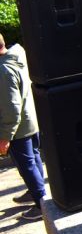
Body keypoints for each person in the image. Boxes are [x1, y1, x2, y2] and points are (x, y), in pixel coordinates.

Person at [0, 35, 46, 221]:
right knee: (33, 158)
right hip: (30, 119)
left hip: (18, 129)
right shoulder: (17, 53)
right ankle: (35, 192)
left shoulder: (3, 70)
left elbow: (11, 108)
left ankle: (41, 204)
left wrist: (5, 137)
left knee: (27, 165)